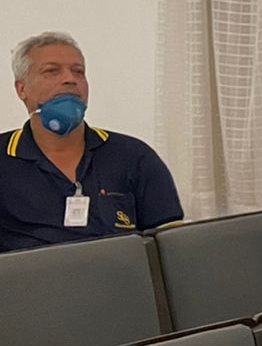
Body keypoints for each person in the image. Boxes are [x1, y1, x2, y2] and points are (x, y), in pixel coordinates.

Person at [1, 32, 183, 252]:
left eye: (78, 71)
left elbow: (172, 249)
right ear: (21, 89)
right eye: (52, 71)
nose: (70, 79)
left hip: (121, 273)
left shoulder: (134, 156)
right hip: (33, 274)